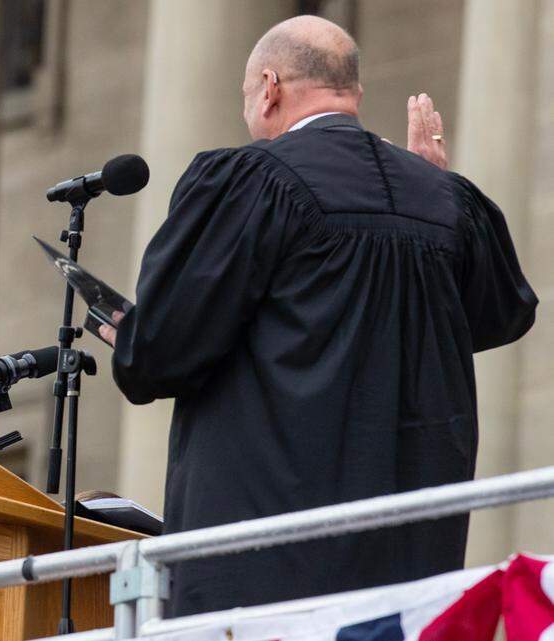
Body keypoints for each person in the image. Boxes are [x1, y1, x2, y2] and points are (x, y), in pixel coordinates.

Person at [100, 16, 537, 616]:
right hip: (407, 582)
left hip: (266, 575)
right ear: (352, 92)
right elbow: (500, 316)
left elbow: (160, 358)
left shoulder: (254, 181)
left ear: (270, 87)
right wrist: (434, 191)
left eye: (248, 97)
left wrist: (134, 337)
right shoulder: (446, 199)